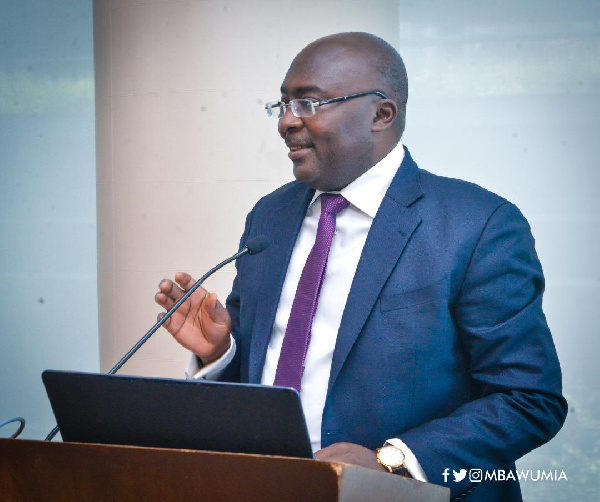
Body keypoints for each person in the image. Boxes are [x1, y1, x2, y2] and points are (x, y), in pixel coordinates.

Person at [155, 32, 567, 501]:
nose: (287, 122)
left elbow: (529, 400)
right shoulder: (269, 216)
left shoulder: (477, 224)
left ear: (381, 114)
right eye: (284, 104)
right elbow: (262, 385)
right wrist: (219, 354)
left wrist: (392, 461)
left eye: (309, 103)